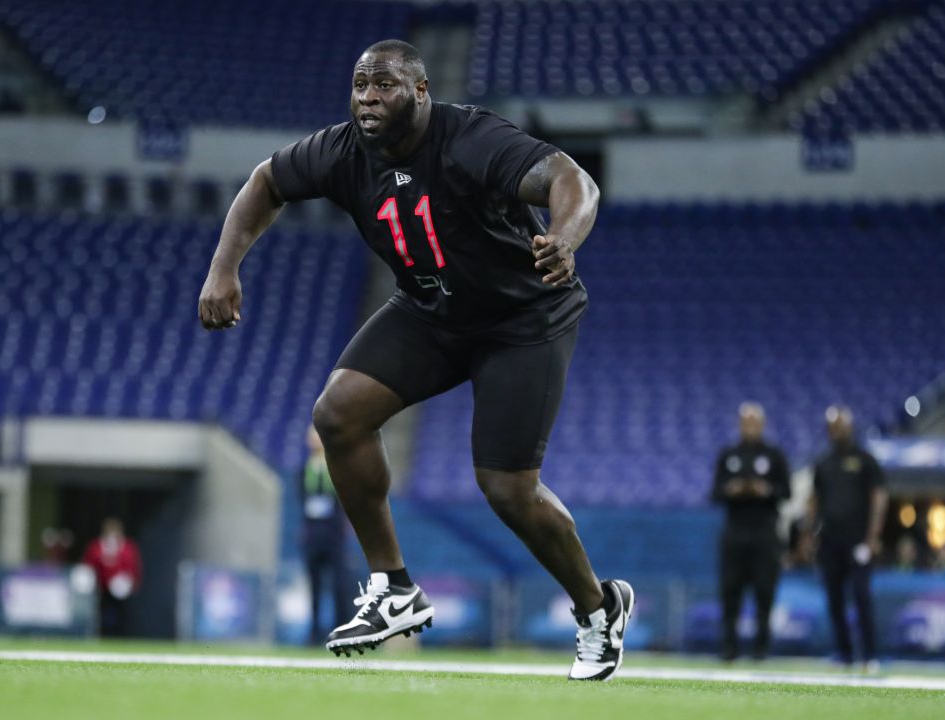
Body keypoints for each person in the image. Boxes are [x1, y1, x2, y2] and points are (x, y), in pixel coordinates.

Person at [197, 39, 633, 680]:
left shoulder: (472, 137)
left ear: (422, 92)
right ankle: (393, 586)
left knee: (507, 489)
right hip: (433, 309)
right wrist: (223, 268)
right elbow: (266, 180)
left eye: (385, 85)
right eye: (360, 84)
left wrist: (564, 238)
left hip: (523, 318)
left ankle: (599, 609)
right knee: (338, 415)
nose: (368, 98)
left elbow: (573, 179)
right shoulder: (343, 149)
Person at [806, 406, 888, 671]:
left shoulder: (865, 460)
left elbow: (879, 497)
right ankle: (844, 653)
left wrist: (872, 536)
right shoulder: (823, 462)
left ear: (850, 427)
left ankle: (870, 655)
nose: (837, 431)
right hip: (830, 540)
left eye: (841, 425)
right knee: (834, 598)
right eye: (833, 426)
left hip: (857, 540)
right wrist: (809, 534)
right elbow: (814, 500)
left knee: (862, 595)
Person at [710, 402, 791, 661]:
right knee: (730, 590)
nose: (750, 427)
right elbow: (714, 493)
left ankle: (760, 648)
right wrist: (731, 490)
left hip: (765, 533)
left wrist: (765, 490)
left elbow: (786, 492)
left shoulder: (774, 455)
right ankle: (729, 648)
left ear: (762, 424)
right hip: (735, 531)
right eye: (746, 422)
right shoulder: (729, 454)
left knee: (764, 591)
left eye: (754, 422)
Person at [300, 425, 352, 644]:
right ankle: (314, 634)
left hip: (334, 535)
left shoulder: (337, 468)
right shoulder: (304, 469)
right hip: (313, 535)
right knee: (314, 586)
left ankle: (343, 630)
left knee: (340, 585)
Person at [81, 517, 142, 637]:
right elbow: (89, 563)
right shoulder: (97, 546)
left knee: (123, 614)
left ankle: (122, 636)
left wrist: (133, 582)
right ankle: (101, 635)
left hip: (122, 589)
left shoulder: (127, 547)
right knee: (100, 613)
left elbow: (133, 565)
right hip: (101, 587)